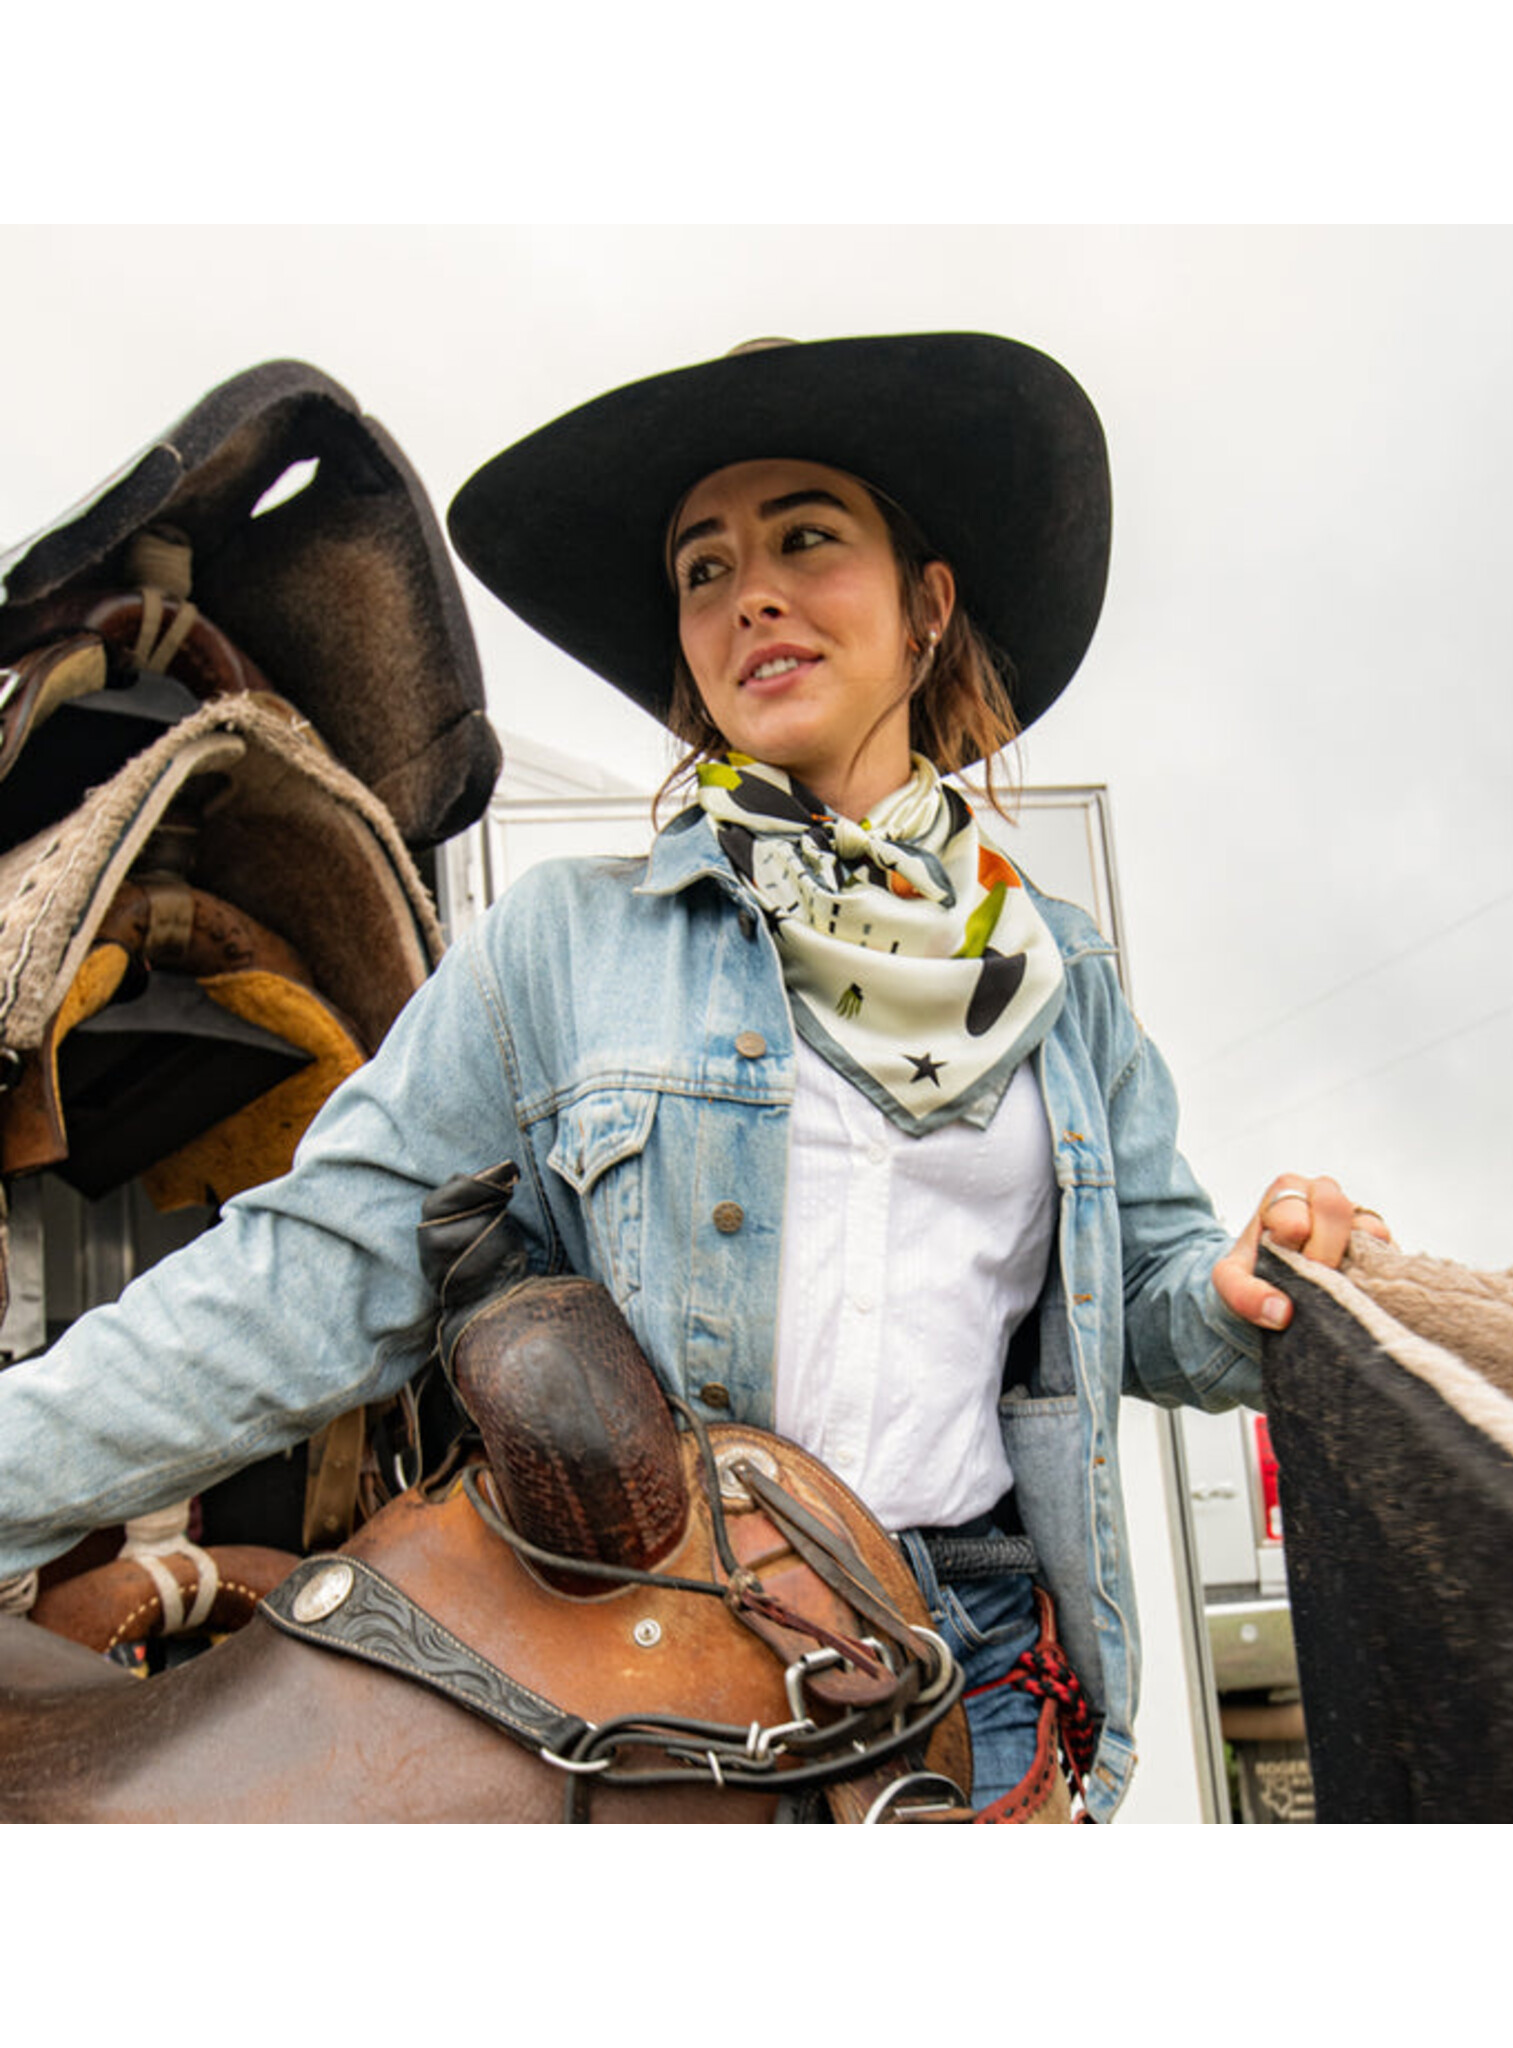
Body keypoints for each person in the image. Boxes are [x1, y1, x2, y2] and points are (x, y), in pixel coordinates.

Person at [0, 332, 1384, 1820]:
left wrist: (1249, 1289)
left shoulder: (1062, 980)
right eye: (705, 570)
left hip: (976, 1671)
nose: (753, 596)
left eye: (806, 538)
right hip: (643, 1684)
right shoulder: (565, 951)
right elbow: (300, 1277)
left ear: (925, 612)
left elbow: (1159, 1298)